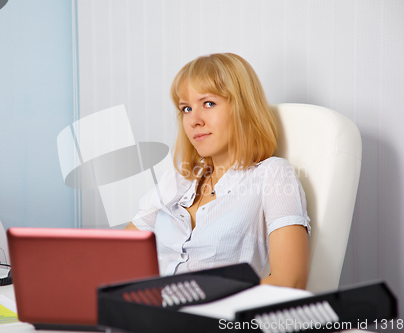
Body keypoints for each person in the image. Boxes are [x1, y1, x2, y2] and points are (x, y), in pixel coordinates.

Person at [125, 53, 310, 289]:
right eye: (186, 109)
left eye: (208, 103)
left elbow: (290, 282)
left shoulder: (272, 174)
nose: (194, 120)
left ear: (243, 108)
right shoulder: (178, 178)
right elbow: (118, 253)